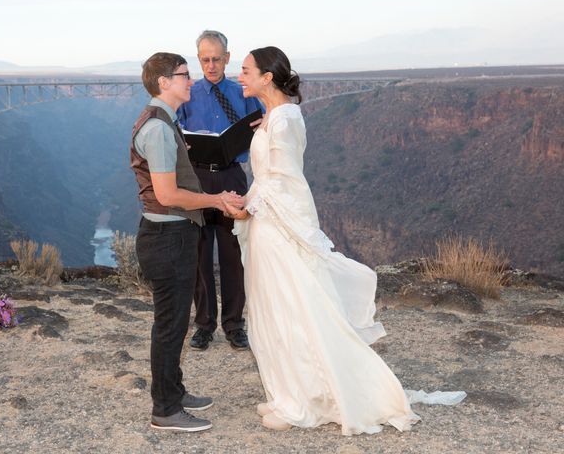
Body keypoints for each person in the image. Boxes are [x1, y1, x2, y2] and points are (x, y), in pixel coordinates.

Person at [224, 46, 465, 435]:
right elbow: (268, 181)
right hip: (266, 222)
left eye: (247, 70)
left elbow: (287, 184)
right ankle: (289, 392)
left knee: (291, 310)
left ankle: (305, 400)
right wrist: (246, 203)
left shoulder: (283, 121)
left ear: (267, 77)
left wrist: (247, 209)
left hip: (278, 228)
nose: (241, 76)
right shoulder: (271, 117)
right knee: (272, 309)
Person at [130, 52, 244, 432]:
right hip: (168, 237)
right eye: (183, 75)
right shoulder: (160, 128)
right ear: (164, 82)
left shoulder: (163, 121)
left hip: (168, 235)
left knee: (174, 323)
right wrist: (215, 199)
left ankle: (173, 393)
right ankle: (165, 410)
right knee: (170, 326)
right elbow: (167, 195)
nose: (190, 81)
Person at [177, 30, 263, 351]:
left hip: (232, 178)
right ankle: (203, 325)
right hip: (197, 180)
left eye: (217, 59)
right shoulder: (188, 93)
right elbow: (175, 131)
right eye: (205, 59)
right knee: (199, 255)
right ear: (198, 59)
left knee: (232, 255)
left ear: (228, 57)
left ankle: (234, 324)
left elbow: (261, 128)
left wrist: (261, 126)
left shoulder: (243, 93)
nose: (211, 65)